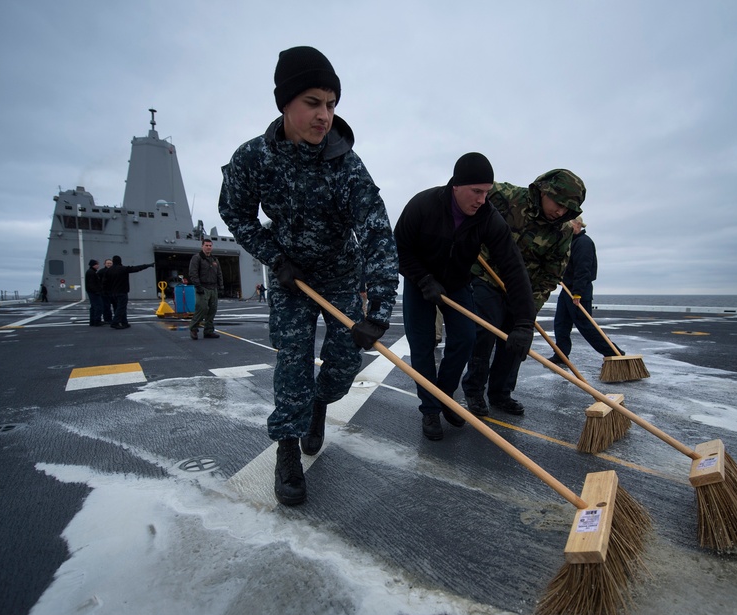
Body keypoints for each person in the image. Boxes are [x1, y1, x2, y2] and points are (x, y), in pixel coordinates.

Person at [218, 46, 398, 506]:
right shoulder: (252, 159)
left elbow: (375, 230)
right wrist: (274, 257)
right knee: (292, 360)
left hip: (339, 277)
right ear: (285, 104)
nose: (325, 116)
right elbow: (233, 211)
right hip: (290, 279)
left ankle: (321, 405)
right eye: (314, 103)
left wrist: (378, 309)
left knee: (340, 369)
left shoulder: (346, 164)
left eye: (332, 104)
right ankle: (286, 450)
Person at [394, 152, 535, 441]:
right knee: (421, 346)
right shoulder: (424, 205)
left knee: (466, 338)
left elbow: (513, 265)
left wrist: (524, 322)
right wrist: (423, 279)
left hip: (457, 283)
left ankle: (444, 398)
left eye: (487, 192)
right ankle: (430, 409)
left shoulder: (488, 218)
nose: (482, 199)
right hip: (420, 283)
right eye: (476, 191)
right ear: (456, 185)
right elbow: (399, 248)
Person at [461, 169, 585, 417]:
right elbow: (469, 199)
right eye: (558, 203)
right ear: (543, 191)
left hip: (523, 290)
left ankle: (501, 394)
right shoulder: (505, 195)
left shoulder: (562, 231)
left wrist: (528, 312)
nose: (560, 211)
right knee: (485, 331)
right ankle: (474, 391)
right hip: (487, 276)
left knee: (516, 340)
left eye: (567, 208)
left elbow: (550, 274)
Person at [553, 216, 623, 359]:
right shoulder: (569, 242)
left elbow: (583, 270)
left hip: (579, 290)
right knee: (561, 324)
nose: (566, 227)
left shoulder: (584, 243)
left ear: (578, 225)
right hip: (566, 289)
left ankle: (613, 352)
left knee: (586, 325)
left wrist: (577, 293)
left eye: (569, 224)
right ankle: (561, 354)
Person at [103, 254, 154, 329]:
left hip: (112, 293)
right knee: (121, 308)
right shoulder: (123, 269)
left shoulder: (108, 270)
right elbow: (136, 268)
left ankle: (124, 322)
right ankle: (115, 322)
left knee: (117, 308)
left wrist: (106, 291)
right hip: (122, 291)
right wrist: (148, 265)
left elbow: (105, 282)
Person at [188, 239, 223, 339]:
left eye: (210, 245)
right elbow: (193, 273)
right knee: (202, 308)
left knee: (212, 310)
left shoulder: (215, 260)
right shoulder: (197, 258)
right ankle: (193, 328)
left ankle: (208, 330)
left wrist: (221, 286)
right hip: (202, 287)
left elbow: (219, 274)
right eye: (206, 245)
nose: (208, 247)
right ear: (202, 246)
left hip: (213, 288)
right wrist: (198, 286)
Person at [84, 259, 105, 326]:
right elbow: (92, 284)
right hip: (94, 293)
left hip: (92, 292)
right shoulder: (92, 273)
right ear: (93, 265)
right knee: (98, 306)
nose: (98, 266)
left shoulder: (90, 272)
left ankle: (92, 321)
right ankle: (97, 321)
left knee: (93, 307)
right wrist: (97, 291)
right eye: (97, 264)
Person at [97, 258, 115, 323]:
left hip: (113, 291)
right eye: (108, 263)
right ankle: (107, 319)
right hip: (104, 292)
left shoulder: (115, 271)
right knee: (106, 306)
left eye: (110, 263)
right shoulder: (101, 272)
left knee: (116, 306)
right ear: (105, 264)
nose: (109, 264)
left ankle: (115, 318)